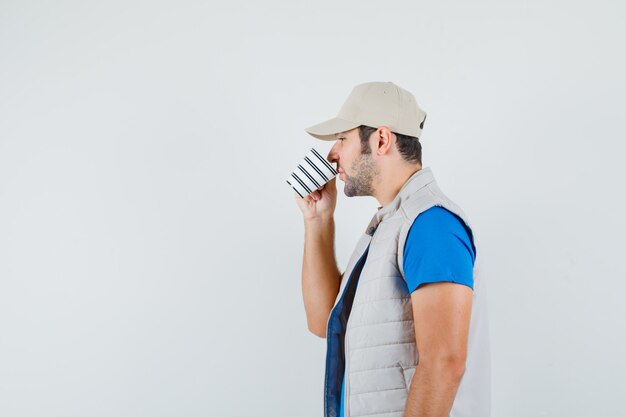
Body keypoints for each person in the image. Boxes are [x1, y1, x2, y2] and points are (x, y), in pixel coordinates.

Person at [292, 82, 491, 417]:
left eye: (342, 139)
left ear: (381, 139)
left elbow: (444, 364)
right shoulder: (388, 227)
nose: (332, 154)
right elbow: (321, 321)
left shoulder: (431, 225)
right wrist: (318, 219)